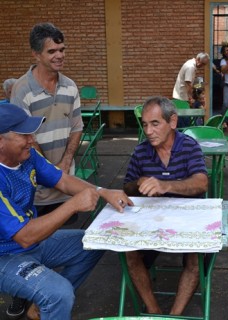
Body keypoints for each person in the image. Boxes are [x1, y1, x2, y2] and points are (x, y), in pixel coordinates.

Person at [0, 103, 133, 320]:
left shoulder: (27, 156)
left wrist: (102, 191)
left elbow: (62, 180)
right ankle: (51, 300)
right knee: (58, 293)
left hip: (31, 244)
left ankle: (44, 306)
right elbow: (24, 236)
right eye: (23, 135)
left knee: (95, 241)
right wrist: (72, 205)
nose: (31, 140)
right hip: (5, 255)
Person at [9, 22, 84, 318]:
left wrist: (65, 164)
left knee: (65, 239)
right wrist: (48, 168)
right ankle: (22, 294)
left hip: (64, 180)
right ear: (36, 54)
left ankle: (47, 297)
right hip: (36, 186)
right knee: (25, 243)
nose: (59, 55)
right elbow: (22, 138)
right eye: (52, 50)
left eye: (62, 49)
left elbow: (76, 128)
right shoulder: (22, 90)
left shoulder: (70, 86)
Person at [123, 96, 208, 315]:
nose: (148, 131)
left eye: (155, 123)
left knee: (196, 258)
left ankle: (174, 316)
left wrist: (165, 185)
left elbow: (201, 182)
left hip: (187, 222)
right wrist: (138, 183)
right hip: (151, 223)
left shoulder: (189, 146)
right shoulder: (141, 151)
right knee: (129, 253)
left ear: (172, 122)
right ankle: (153, 311)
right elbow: (127, 189)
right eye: (144, 124)